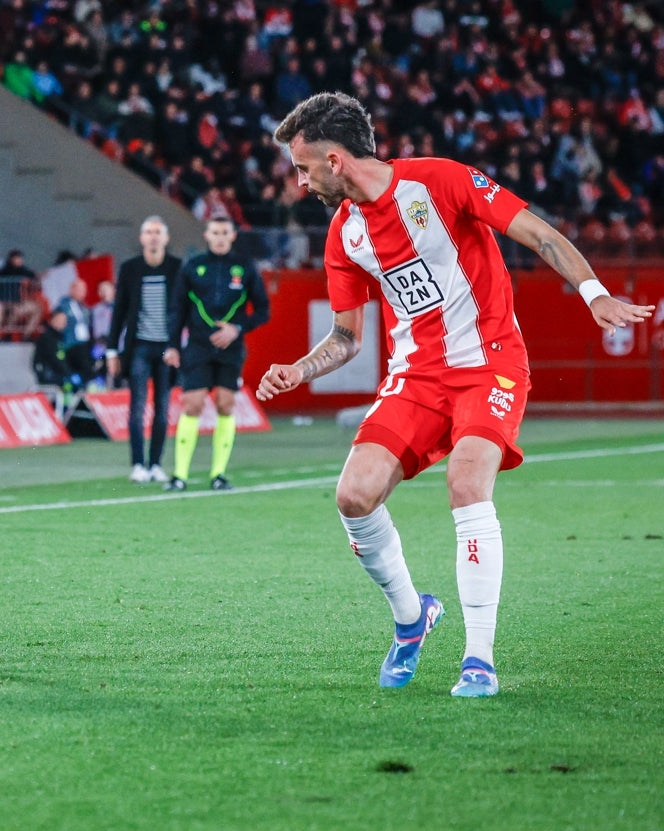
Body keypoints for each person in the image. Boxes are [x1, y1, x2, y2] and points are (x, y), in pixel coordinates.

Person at [256, 92, 655, 698]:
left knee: (467, 484)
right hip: (416, 377)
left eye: (303, 166)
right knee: (354, 496)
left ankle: (479, 659)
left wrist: (593, 291)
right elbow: (344, 338)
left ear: (335, 160)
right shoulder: (345, 234)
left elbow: (536, 231)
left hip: (488, 362)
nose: (300, 178)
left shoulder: (438, 181)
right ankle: (413, 619)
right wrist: (299, 368)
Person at [163, 216, 270, 492]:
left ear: (232, 235)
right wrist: (172, 345)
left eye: (225, 232)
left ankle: (218, 474)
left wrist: (237, 328)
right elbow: (177, 309)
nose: (220, 237)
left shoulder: (245, 268)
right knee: (192, 404)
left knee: (225, 404)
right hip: (198, 346)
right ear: (207, 235)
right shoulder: (193, 267)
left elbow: (262, 311)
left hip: (230, 348)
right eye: (215, 232)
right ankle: (179, 475)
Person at [107, 215, 182, 484]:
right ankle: (138, 463)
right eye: (148, 231)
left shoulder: (177, 268)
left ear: (166, 238)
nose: (152, 236)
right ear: (141, 238)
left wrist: (178, 346)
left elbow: (183, 309)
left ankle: (156, 464)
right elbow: (119, 312)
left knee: (162, 409)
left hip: (166, 349)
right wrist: (111, 350)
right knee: (137, 407)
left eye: (157, 232)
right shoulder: (130, 269)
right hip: (138, 346)